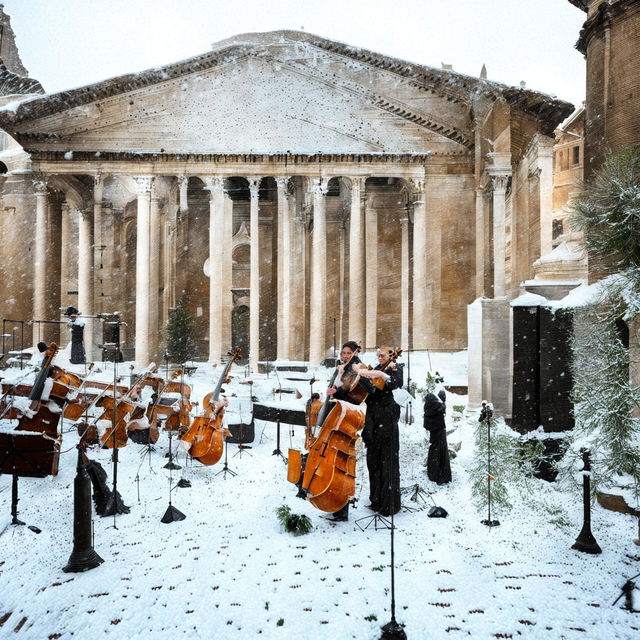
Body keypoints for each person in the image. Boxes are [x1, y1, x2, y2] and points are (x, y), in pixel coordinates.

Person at [323, 340, 376, 522]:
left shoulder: (358, 369)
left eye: (348, 353)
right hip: (339, 416)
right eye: (343, 353)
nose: (345, 356)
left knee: (343, 466)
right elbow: (342, 390)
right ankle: (335, 503)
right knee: (335, 464)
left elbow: (351, 394)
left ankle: (342, 507)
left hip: (349, 417)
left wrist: (336, 393)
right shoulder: (342, 368)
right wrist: (333, 390)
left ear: (354, 352)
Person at [360, 346, 403, 517]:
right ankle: (376, 499)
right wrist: (363, 375)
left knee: (388, 460)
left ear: (391, 355)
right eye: (378, 355)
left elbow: (394, 384)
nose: (379, 357)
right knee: (374, 460)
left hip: (386, 417)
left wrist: (382, 375)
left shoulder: (396, 368)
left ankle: (389, 503)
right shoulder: (377, 368)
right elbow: (371, 389)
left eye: (382, 355)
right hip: (372, 418)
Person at [423, 372, 451, 485]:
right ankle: (439, 475)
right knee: (439, 454)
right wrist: (442, 405)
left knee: (435, 453)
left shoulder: (429, 408)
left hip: (435, 435)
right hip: (439, 434)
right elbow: (442, 413)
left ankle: (435, 473)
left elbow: (427, 425)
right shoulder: (437, 408)